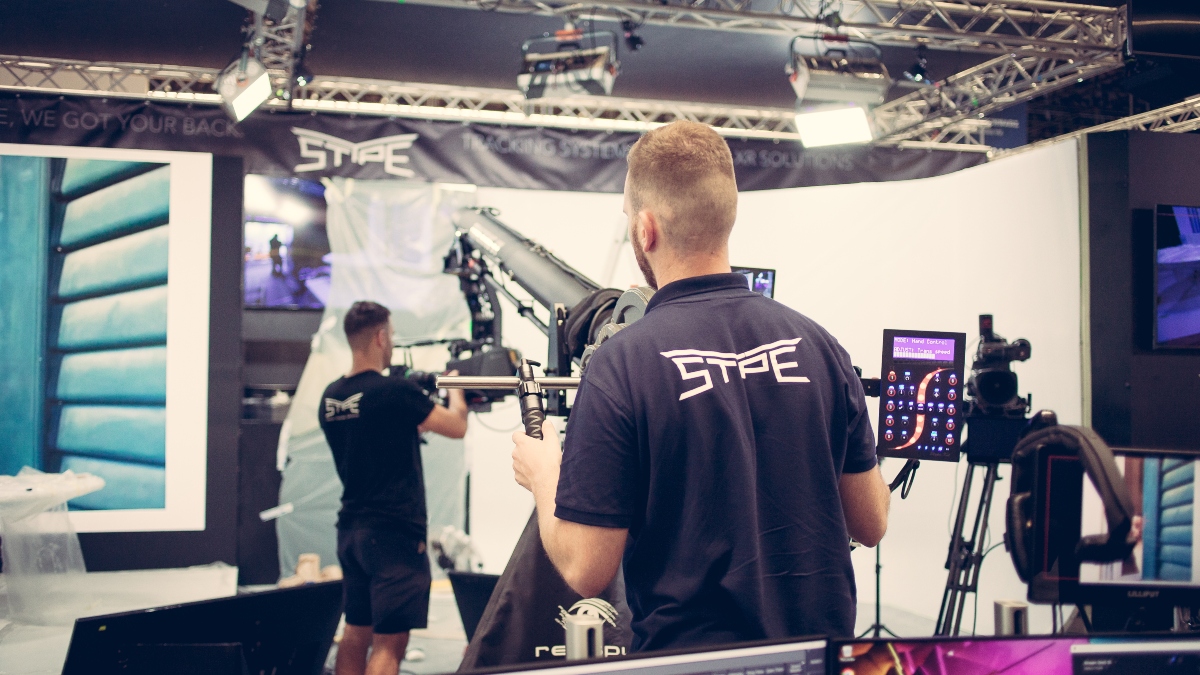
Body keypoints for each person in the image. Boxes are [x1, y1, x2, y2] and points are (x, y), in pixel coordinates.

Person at [510, 121, 891, 651]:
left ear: (645, 229)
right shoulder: (820, 346)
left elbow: (586, 568)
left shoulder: (622, 365)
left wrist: (543, 473)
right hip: (819, 658)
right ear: (726, 217)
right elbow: (871, 522)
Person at [319, 301, 469, 675]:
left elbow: (373, 433)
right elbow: (456, 426)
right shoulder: (395, 392)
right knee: (389, 643)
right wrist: (456, 389)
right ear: (381, 336)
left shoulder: (331, 398)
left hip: (351, 532)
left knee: (356, 632)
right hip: (394, 535)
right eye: (392, 335)